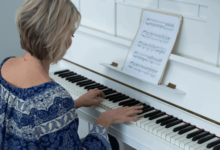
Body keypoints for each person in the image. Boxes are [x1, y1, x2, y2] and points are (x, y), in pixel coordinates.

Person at [0, 0, 143, 149]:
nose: (70, 42)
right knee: (111, 142)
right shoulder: (54, 97)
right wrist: (104, 120)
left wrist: (75, 104)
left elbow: (29, 118)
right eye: (71, 35)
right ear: (55, 37)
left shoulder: (5, 65)